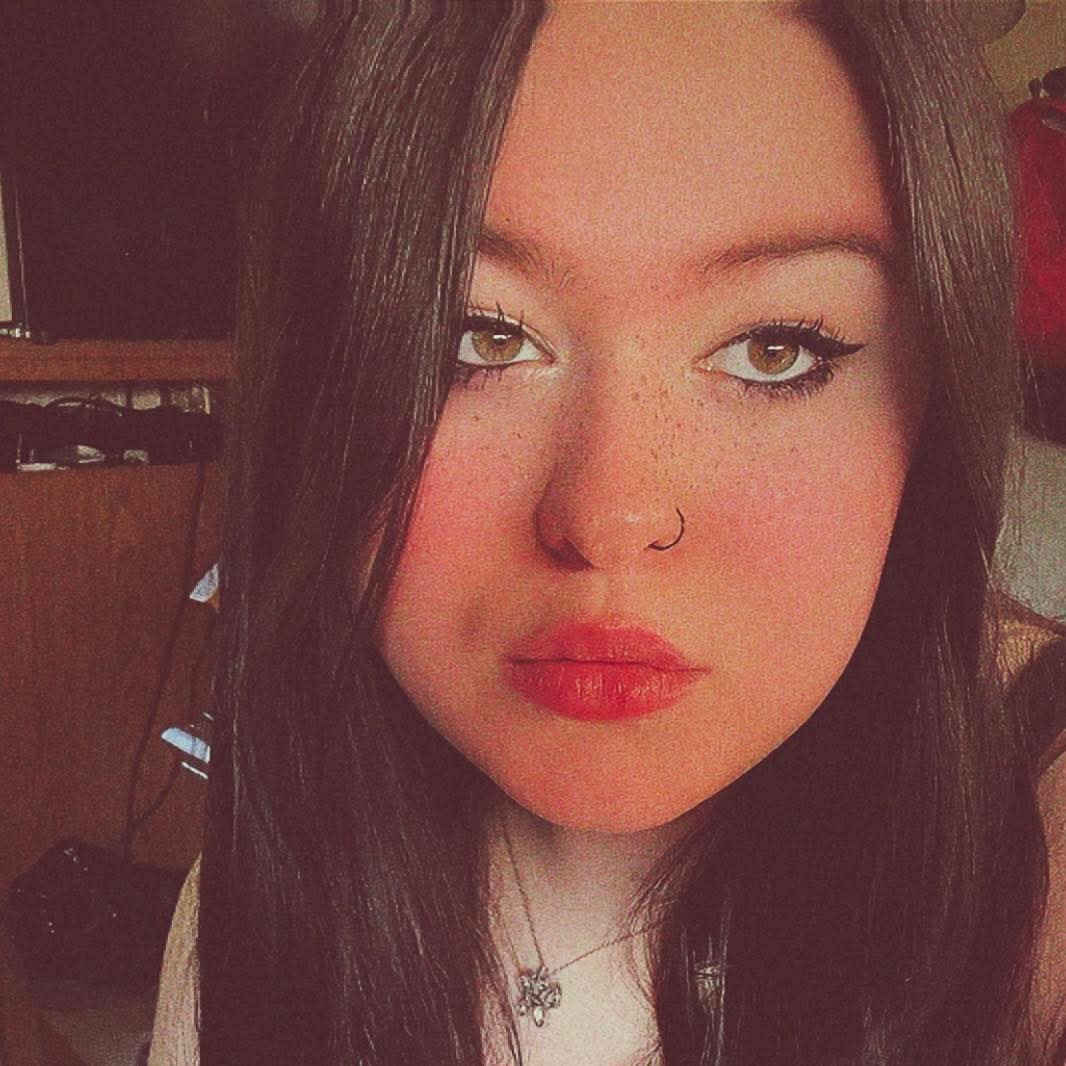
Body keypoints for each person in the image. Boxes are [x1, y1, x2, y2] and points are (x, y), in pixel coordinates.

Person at [149, 2, 1066, 1064]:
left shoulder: (1036, 857)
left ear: (929, 411)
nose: (608, 517)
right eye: (477, 336)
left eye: (773, 348)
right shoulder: (248, 914)